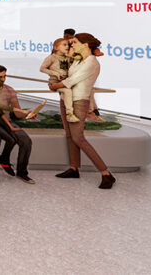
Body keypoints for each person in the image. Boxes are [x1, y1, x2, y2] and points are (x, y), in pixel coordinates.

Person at [50, 32, 116, 189]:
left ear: (85, 44)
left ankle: (106, 173)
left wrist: (55, 86)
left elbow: (72, 81)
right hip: (65, 100)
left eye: (74, 42)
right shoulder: (78, 60)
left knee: (78, 137)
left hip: (79, 101)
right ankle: (74, 168)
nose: (71, 45)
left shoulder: (92, 63)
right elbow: (67, 76)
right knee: (69, 135)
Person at [40, 38, 78, 122]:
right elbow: (42, 69)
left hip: (65, 81)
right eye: (64, 45)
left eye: (68, 45)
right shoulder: (51, 58)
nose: (67, 47)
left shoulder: (67, 58)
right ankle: (69, 114)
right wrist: (55, 73)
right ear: (56, 47)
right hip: (55, 82)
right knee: (67, 91)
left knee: (68, 93)